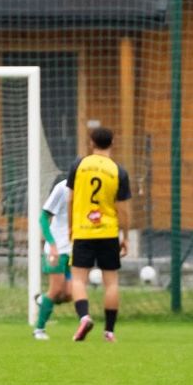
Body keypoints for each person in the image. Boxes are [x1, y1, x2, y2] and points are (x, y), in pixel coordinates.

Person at [67, 127, 131, 343]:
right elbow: (122, 209)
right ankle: (109, 331)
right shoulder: (118, 171)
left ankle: (84, 317)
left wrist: (70, 226)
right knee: (111, 282)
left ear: (91, 142)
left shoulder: (78, 165)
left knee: (78, 279)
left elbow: (71, 200)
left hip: (83, 230)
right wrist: (126, 236)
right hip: (108, 231)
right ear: (113, 142)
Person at [33, 175, 72, 340]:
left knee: (69, 294)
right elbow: (43, 218)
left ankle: (43, 300)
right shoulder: (62, 188)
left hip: (73, 250)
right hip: (56, 249)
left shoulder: (87, 190)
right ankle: (39, 330)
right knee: (56, 290)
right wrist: (53, 245)